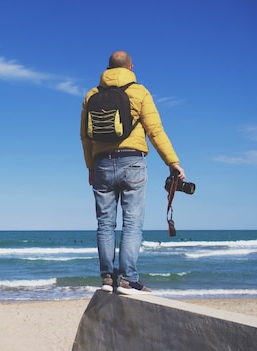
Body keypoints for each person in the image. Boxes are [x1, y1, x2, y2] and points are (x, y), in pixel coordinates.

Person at [80, 50, 185, 295]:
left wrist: (91, 167)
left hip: (102, 163)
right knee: (132, 222)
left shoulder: (91, 95)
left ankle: (107, 277)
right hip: (133, 163)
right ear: (131, 67)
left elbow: (85, 136)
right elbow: (155, 130)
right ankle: (128, 278)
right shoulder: (139, 92)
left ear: (107, 68)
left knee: (105, 223)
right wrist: (173, 162)